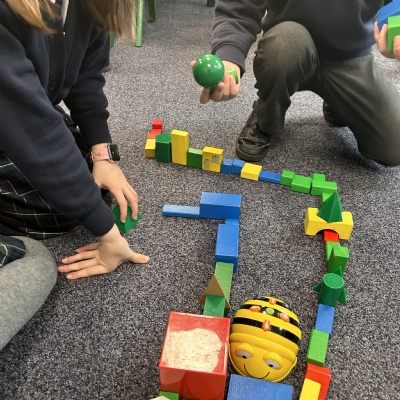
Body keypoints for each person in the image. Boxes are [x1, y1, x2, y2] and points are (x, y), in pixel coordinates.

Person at [0, 0, 150, 351]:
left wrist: (103, 155)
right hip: (14, 114)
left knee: (89, 182)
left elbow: (85, 75)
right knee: (63, 210)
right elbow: (33, 128)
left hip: (24, 105)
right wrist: (107, 232)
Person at [193, 0, 400, 166]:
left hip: (350, 56)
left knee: (394, 147)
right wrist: (229, 56)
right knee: (284, 48)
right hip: (289, 45)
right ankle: (266, 116)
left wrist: (396, 29)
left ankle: (337, 103)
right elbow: (240, 5)